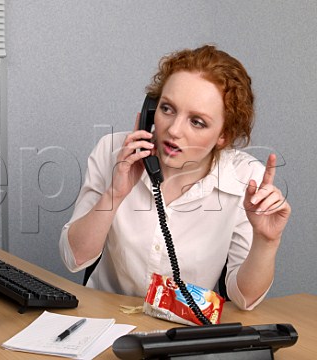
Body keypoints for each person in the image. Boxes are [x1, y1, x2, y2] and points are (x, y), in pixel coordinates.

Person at [59, 45, 291, 311]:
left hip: (184, 330)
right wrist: (115, 193)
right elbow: (74, 257)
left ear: (223, 136)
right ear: (151, 109)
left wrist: (267, 241)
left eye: (197, 122)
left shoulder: (245, 178)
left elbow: (245, 299)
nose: (173, 130)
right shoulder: (112, 151)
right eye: (167, 109)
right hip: (105, 321)